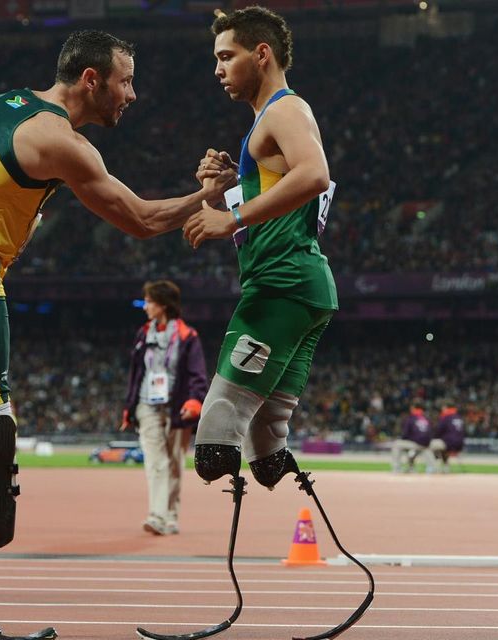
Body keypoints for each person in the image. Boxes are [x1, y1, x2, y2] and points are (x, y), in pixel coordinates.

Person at [0, 30, 235, 550]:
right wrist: (208, 194)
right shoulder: (63, 143)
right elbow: (142, 219)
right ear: (91, 79)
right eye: (126, 82)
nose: (133, 95)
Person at [179, 6, 338, 492]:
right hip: (300, 289)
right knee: (267, 452)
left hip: (280, 288)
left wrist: (231, 218)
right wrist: (232, 186)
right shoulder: (270, 121)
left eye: (227, 56)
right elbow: (286, 192)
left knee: (212, 447)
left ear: (262, 54)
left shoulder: (285, 110)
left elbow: (315, 176)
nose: (217, 69)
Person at [121, 280, 208, 536]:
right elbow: (136, 373)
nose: (145, 306)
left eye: (149, 301)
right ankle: (157, 515)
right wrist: (129, 406)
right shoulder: (143, 334)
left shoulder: (187, 336)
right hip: (147, 404)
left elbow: (197, 374)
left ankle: (171, 515)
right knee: (156, 462)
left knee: (174, 463)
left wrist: (194, 401)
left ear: (163, 305)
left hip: (177, 406)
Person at [391, 399, 435, 473]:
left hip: (417, 443)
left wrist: (407, 439)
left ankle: (397, 467)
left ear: (413, 407)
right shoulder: (426, 418)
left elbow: (405, 434)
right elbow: (431, 432)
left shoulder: (411, 418)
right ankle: (430, 467)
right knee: (420, 449)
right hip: (426, 444)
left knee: (396, 444)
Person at [430, 399, 465, 473]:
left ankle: (434, 467)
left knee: (430, 444)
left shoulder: (446, 416)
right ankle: (446, 467)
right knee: (442, 447)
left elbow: (438, 431)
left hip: (449, 443)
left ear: (446, 407)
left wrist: (432, 438)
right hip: (460, 445)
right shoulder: (459, 417)